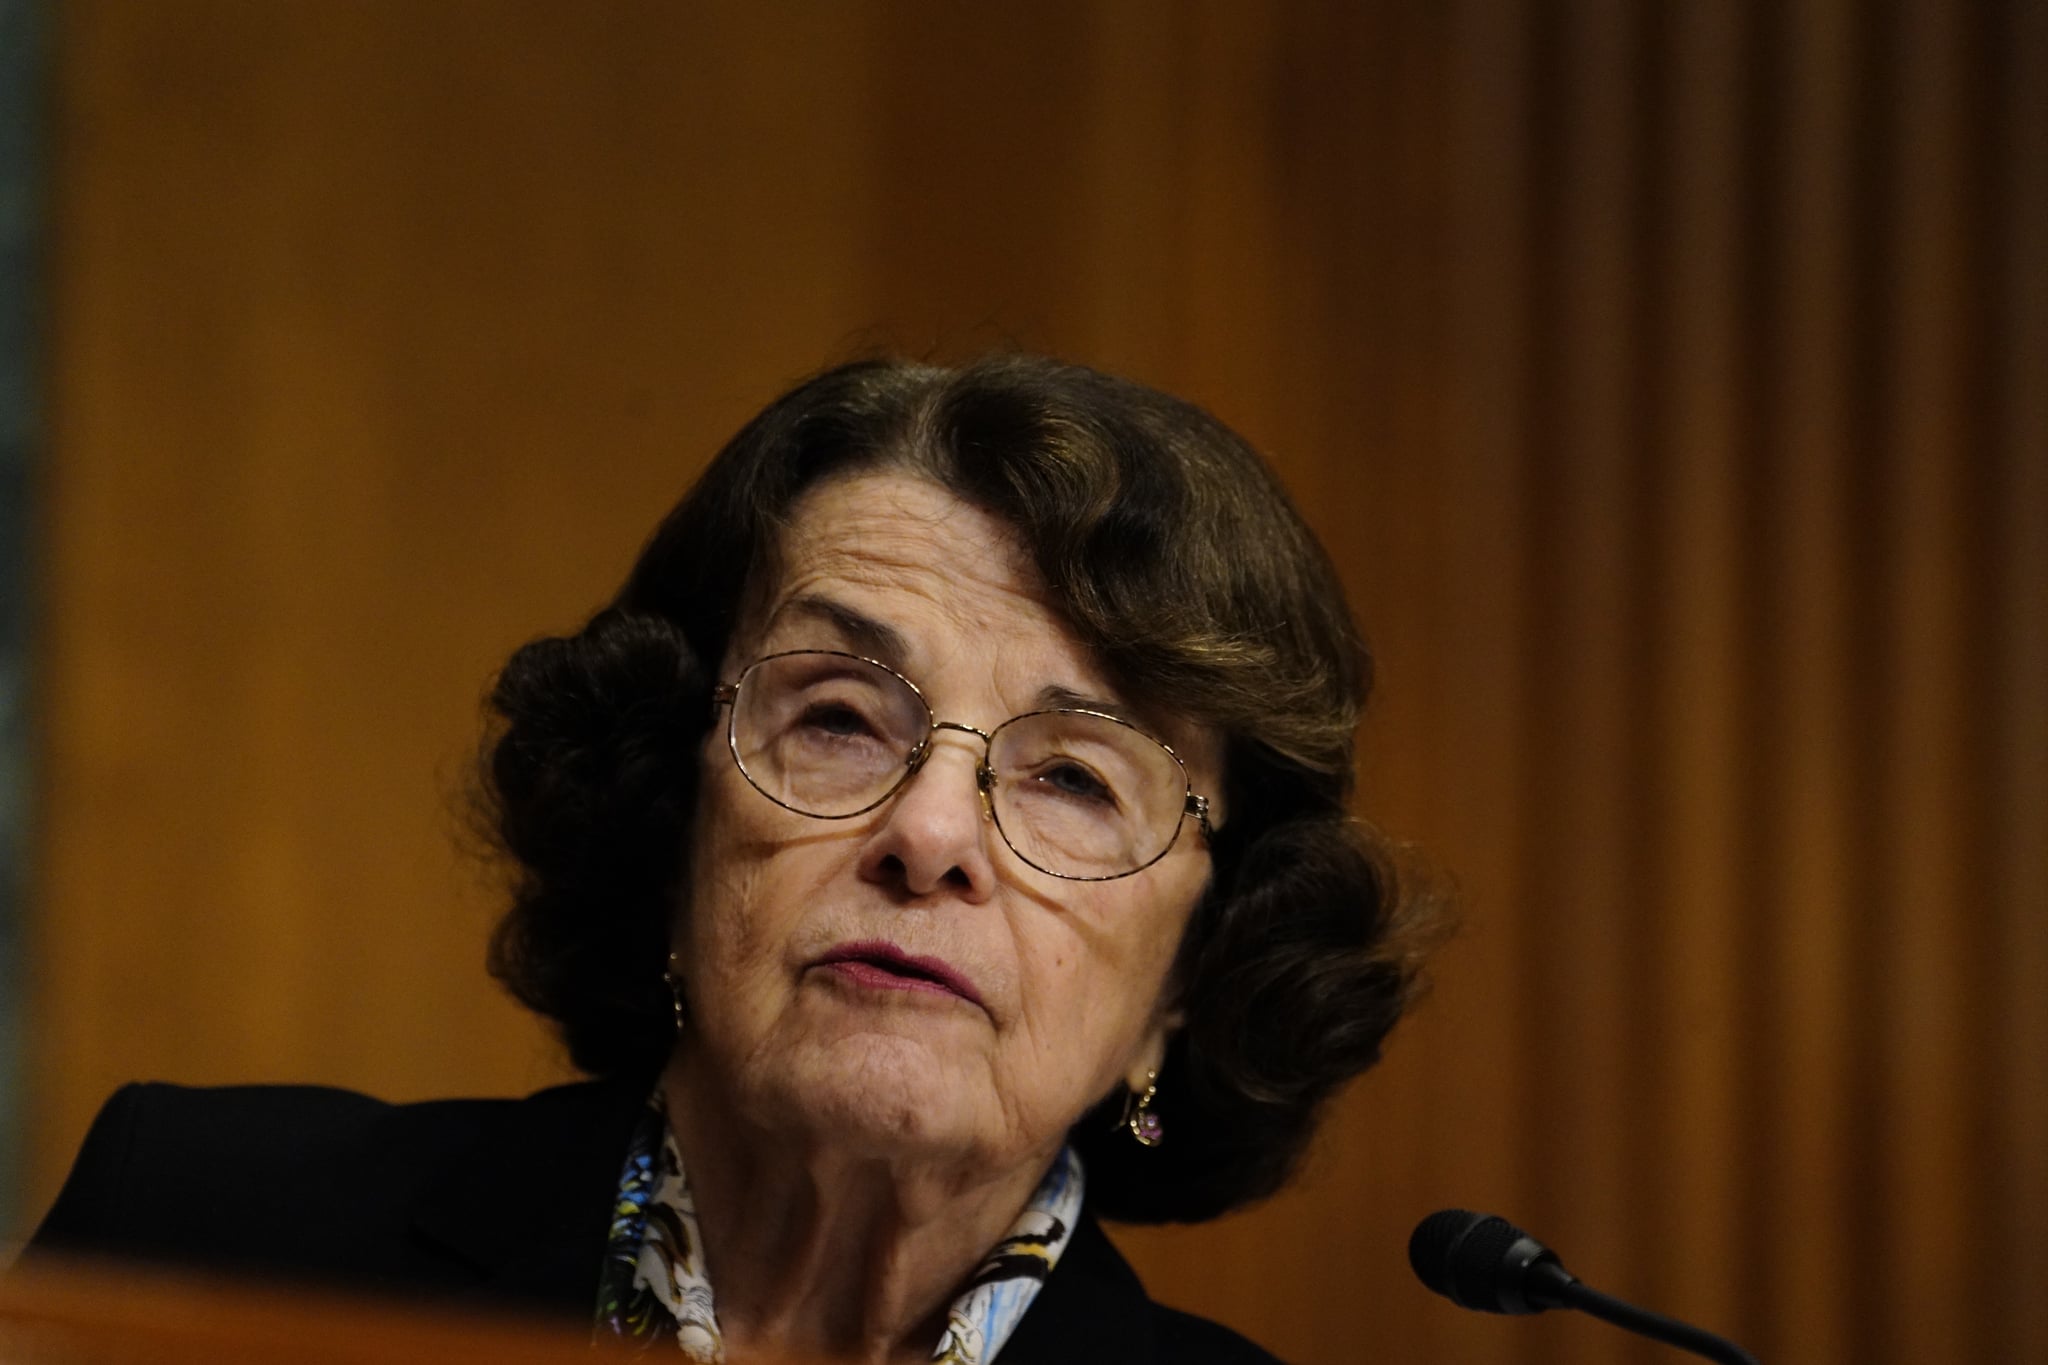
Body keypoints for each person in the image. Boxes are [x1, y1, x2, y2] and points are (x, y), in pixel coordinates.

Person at [26, 355, 1447, 1363]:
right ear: (671, 798)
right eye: (837, 717)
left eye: (1075, 776)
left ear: (1197, 968)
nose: (933, 834)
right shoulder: (212, 1229)